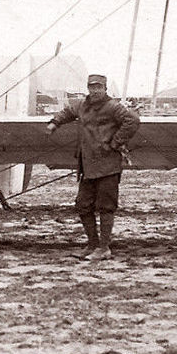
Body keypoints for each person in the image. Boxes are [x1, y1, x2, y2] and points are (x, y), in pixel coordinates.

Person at [45, 73, 140, 261]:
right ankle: (92, 245)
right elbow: (68, 113)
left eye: (99, 87)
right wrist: (54, 123)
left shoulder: (113, 106)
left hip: (107, 165)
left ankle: (104, 248)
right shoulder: (82, 105)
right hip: (87, 165)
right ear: (88, 88)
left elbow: (133, 121)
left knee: (106, 207)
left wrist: (115, 142)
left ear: (105, 89)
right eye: (92, 87)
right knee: (83, 205)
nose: (95, 91)